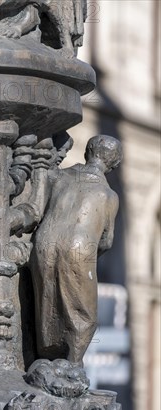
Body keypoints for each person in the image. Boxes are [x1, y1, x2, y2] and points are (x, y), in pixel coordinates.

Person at [29, 135, 121, 364]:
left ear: (87, 152)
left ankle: (46, 356)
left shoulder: (58, 175)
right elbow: (107, 241)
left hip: (45, 241)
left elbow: (38, 210)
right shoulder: (108, 195)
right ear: (114, 163)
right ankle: (72, 365)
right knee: (84, 316)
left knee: (46, 302)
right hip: (79, 248)